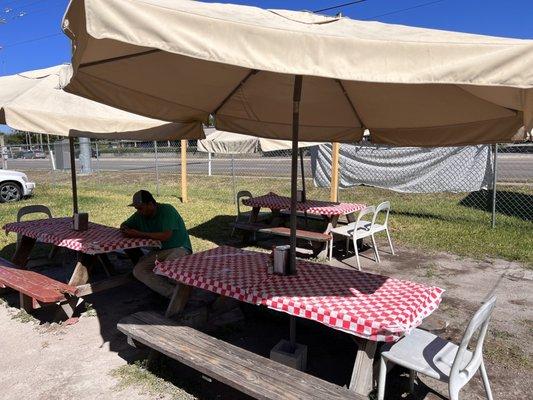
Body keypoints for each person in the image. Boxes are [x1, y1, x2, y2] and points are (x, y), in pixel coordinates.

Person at [120, 189, 192, 298]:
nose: (138, 211)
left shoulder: (167, 210)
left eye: (140, 208)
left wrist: (138, 234)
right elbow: (124, 224)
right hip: (159, 251)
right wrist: (125, 229)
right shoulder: (139, 215)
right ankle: (172, 294)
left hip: (180, 248)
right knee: (139, 270)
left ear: (150, 204)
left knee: (168, 269)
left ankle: (183, 292)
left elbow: (165, 235)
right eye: (136, 209)